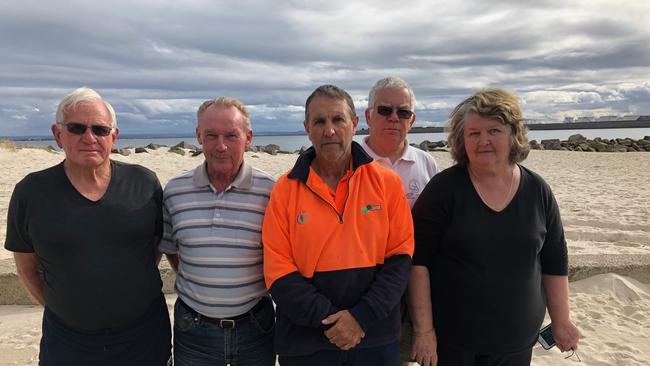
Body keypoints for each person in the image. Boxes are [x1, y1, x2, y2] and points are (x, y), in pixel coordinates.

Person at [409, 88, 581, 366]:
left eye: (494, 131)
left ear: (513, 135)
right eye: (473, 133)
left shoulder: (538, 190)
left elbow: (554, 262)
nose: (483, 141)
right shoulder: (443, 190)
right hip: (454, 344)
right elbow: (418, 263)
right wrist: (424, 331)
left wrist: (562, 321)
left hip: (517, 344)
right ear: (461, 140)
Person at [4, 87, 171, 365]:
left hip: (143, 336)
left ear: (114, 137)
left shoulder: (144, 182)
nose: (89, 138)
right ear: (58, 134)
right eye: (77, 128)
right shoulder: (31, 192)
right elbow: (26, 267)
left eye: (100, 130)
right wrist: (64, 307)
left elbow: (153, 248)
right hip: (67, 341)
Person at [262, 84, 415, 366]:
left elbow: (401, 260)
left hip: (375, 338)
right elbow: (278, 272)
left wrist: (361, 318)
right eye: (319, 121)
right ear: (307, 127)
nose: (329, 130)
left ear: (355, 124)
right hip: (305, 344)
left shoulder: (387, 183)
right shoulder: (285, 189)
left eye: (338, 119)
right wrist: (335, 322)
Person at [159, 97, 276, 366]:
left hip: (255, 327)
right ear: (199, 136)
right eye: (211, 135)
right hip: (194, 330)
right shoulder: (175, 191)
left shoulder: (271, 192)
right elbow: (172, 250)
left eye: (231, 136)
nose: (221, 146)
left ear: (248, 138)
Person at [362, 76, 439, 365]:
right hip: (367, 283)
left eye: (403, 112)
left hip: (415, 281)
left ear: (412, 119)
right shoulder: (352, 161)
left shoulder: (426, 163)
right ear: (368, 116)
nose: (394, 118)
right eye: (385, 110)